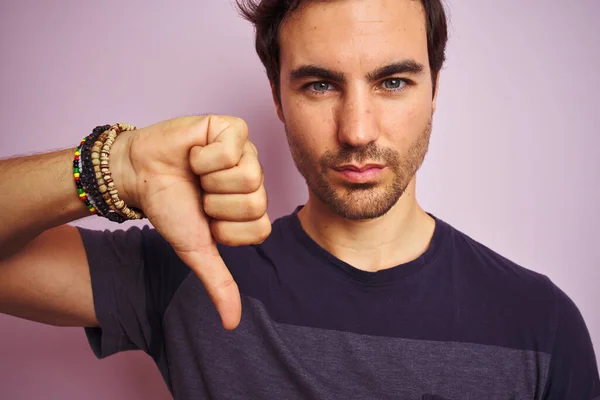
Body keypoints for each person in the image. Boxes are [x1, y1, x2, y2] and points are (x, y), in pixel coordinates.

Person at [0, 0, 598, 398]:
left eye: (393, 81)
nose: (358, 129)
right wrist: (114, 164)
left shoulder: (541, 326)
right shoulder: (190, 271)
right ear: (278, 96)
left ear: (435, 88)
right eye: (320, 84)